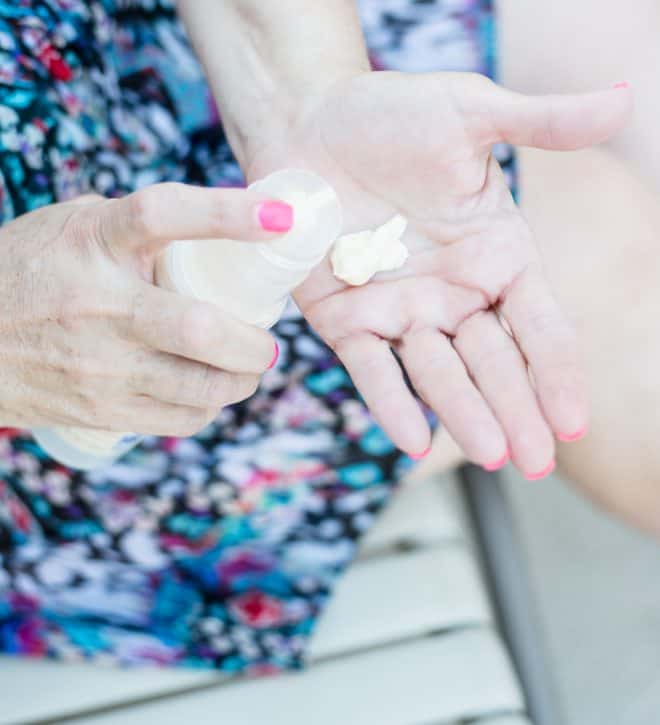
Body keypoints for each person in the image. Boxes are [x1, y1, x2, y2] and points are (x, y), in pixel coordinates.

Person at [0, 0, 630, 670]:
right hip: (58, 394)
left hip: (113, 66)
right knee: (595, 257)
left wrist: (305, 99)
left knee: (608, 30)